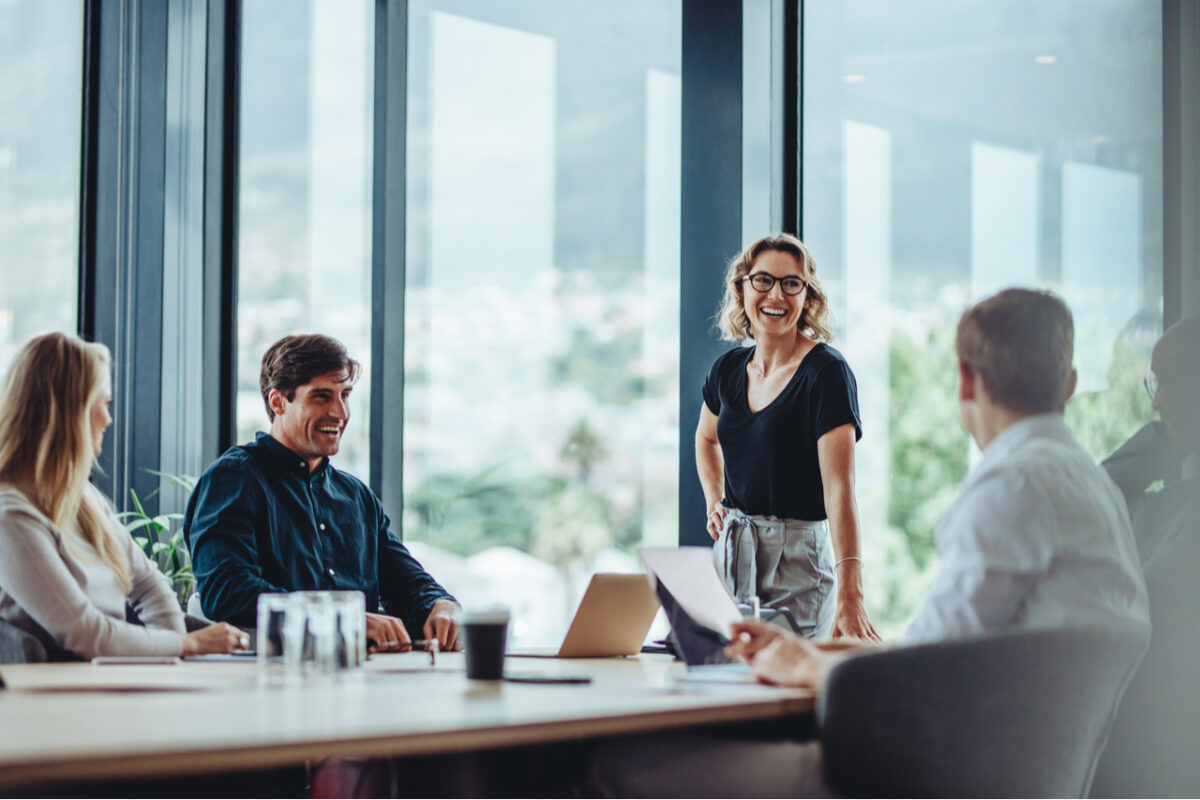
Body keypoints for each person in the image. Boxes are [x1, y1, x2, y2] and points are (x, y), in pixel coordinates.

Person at [590, 288, 1150, 797]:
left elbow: (928, 680)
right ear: (1070, 384)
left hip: (918, 776)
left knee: (618, 766)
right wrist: (810, 651)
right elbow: (958, 651)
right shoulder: (1093, 488)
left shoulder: (1011, 487)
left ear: (966, 381)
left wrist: (805, 666)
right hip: (1009, 772)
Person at [185, 333, 460, 651]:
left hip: (363, 678)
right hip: (269, 679)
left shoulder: (356, 496)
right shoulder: (233, 479)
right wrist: (343, 618)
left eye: (345, 395)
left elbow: (405, 580)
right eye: (321, 397)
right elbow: (228, 593)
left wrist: (440, 603)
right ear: (278, 402)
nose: (340, 413)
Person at [0, 333, 247, 659]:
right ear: (69, 413)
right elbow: (84, 633)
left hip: (106, 680)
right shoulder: (11, 517)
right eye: (103, 404)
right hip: (56, 695)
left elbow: (149, 584)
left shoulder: (82, 499)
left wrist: (172, 655)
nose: (108, 418)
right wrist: (186, 643)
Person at [698, 233, 877, 640]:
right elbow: (706, 439)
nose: (775, 294)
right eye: (763, 280)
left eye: (790, 283)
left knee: (787, 694)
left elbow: (840, 491)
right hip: (731, 553)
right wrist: (714, 500)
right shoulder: (726, 370)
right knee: (724, 686)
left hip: (797, 562)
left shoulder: (826, 374)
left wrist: (852, 593)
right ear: (742, 288)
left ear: (807, 297)